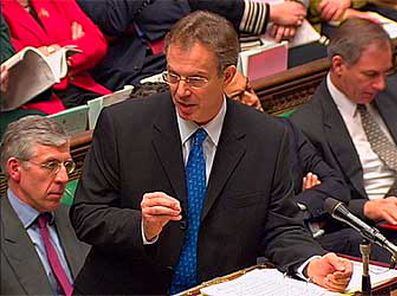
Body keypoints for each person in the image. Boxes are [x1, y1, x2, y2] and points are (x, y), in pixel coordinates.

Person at [70, 11, 352, 295]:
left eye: (195, 80)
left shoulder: (267, 137)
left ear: (227, 76)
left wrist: (311, 262)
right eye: (173, 76)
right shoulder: (122, 125)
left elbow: (281, 226)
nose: (180, 91)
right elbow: (86, 215)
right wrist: (143, 226)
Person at [290, 18, 397, 267]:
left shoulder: (395, 93)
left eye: (385, 73)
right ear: (339, 65)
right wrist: (368, 208)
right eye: (371, 75)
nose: (381, 84)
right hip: (376, 230)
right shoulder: (306, 126)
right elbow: (316, 206)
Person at [76, 0, 307, 90]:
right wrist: (269, 15)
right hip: (138, 68)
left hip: (206, 42)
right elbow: (112, 19)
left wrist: (282, 10)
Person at [0, 116, 90, 295]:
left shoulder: (77, 219)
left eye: (67, 165)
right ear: (15, 169)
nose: (63, 177)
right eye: (51, 165)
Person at [1, 0, 111, 111]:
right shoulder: (3, 11)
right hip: (39, 102)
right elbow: (23, 62)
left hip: (82, 86)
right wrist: (72, 44)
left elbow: (97, 42)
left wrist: (52, 50)